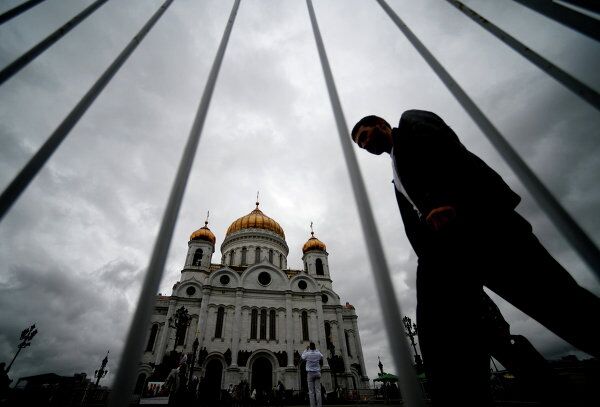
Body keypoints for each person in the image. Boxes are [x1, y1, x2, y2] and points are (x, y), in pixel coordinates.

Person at [351, 110, 600, 405]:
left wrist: (443, 199)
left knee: (556, 300)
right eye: (359, 144)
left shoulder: (412, 124)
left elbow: (449, 152)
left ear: (380, 124)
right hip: (443, 256)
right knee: (441, 333)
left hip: (484, 229)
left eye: (365, 136)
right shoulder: (396, 173)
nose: (365, 146)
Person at [301, 342, 324, 407]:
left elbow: (302, 357)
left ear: (310, 347)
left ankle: (312, 405)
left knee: (311, 392)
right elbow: (322, 356)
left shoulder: (307, 354)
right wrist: (316, 350)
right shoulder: (317, 353)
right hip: (317, 373)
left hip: (310, 373)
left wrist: (306, 349)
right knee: (318, 391)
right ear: (315, 347)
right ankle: (319, 405)